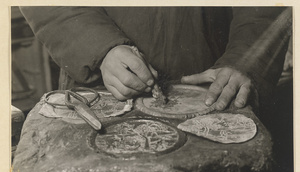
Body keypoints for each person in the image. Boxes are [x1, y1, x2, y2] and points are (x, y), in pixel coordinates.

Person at [19, 6, 291, 118]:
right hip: (99, 84)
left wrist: (246, 59)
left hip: (214, 86)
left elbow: (268, 9)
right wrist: (100, 49)